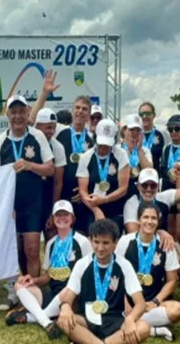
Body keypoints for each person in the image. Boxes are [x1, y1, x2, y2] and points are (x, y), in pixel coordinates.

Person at [57, 219, 150, 344]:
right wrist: (65, 307)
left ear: (115, 243)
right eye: (96, 242)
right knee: (64, 321)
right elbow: (68, 297)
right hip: (88, 319)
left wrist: (130, 319)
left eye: (106, 243)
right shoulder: (82, 264)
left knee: (144, 328)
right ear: (90, 240)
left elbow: (140, 303)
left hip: (115, 321)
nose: (100, 248)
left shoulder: (124, 265)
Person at [0, 95, 54, 308]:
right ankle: (16, 292)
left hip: (33, 204)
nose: (17, 116)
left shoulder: (37, 136)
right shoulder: (0, 142)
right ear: (7, 115)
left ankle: (33, 293)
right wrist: (5, 207)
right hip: (10, 207)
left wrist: (29, 165)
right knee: (15, 251)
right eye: (13, 112)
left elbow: (50, 168)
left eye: (21, 111)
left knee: (32, 249)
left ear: (28, 113)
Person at [5, 201, 92, 339]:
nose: (62, 218)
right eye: (58, 215)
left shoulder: (83, 242)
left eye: (66, 214)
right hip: (53, 294)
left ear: (72, 218)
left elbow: (90, 274)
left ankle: (34, 317)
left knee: (67, 289)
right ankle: (47, 322)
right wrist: (33, 280)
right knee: (19, 285)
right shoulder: (51, 244)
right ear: (52, 219)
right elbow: (49, 275)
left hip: (73, 296)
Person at [116, 203, 180, 342]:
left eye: (153, 218)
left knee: (176, 309)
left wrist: (155, 302)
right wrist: (125, 302)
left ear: (158, 222)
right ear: (139, 220)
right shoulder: (125, 241)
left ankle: (131, 322)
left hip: (151, 304)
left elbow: (172, 280)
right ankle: (153, 330)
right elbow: (115, 274)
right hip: (127, 302)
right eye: (145, 217)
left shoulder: (166, 244)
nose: (149, 222)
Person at [77, 119, 129, 230]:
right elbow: (83, 191)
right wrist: (96, 210)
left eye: (107, 144)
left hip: (115, 209)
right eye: (101, 144)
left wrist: (105, 199)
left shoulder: (121, 155)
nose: (103, 147)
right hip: (92, 209)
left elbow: (123, 188)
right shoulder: (86, 157)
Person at [55, 96, 95, 233]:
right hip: (63, 193)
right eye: (77, 108)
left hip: (84, 195)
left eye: (84, 109)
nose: (80, 111)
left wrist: (84, 190)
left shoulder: (93, 139)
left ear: (89, 114)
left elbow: (95, 168)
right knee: (62, 233)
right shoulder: (60, 134)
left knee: (83, 235)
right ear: (72, 111)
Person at [123, 166, 180, 233]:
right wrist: (160, 233)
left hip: (163, 244)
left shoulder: (163, 197)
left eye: (153, 185)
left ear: (158, 186)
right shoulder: (131, 203)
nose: (149, 189)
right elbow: (133, 233)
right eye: (144, 185)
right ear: (138, 186)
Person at [34, 108, 67, 240]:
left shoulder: (57, 147)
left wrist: (54, 211)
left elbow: (58, 182)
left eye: (53, 128)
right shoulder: (29, 142)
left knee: (51, 237)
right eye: (47, 127)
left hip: (48, 196)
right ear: (37, 126)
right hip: (30, 197)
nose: (51, 132)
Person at [159, 114, 180, 243]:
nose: (173, 132)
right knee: (170, 229)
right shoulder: (166, 148)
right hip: (168, 190)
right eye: (170, 129)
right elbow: (162, 169)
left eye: (177, 128)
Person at [121, 114, 153, 198]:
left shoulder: (145, 150)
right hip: (122, 192)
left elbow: (149, 171)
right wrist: (127, 150)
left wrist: (139, 149)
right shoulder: (118, 149)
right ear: (125, 130)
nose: (135, 133)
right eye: (131, 129)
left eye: (138, 130)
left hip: (141, 192)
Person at [138, 102, 170, 170]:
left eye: (148, 114)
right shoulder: (135, 135)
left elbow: (168, 157)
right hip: (137, 177)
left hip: (155, 177)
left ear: (154, 115)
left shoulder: (162, 135)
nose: (144, 116)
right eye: (141, 114)